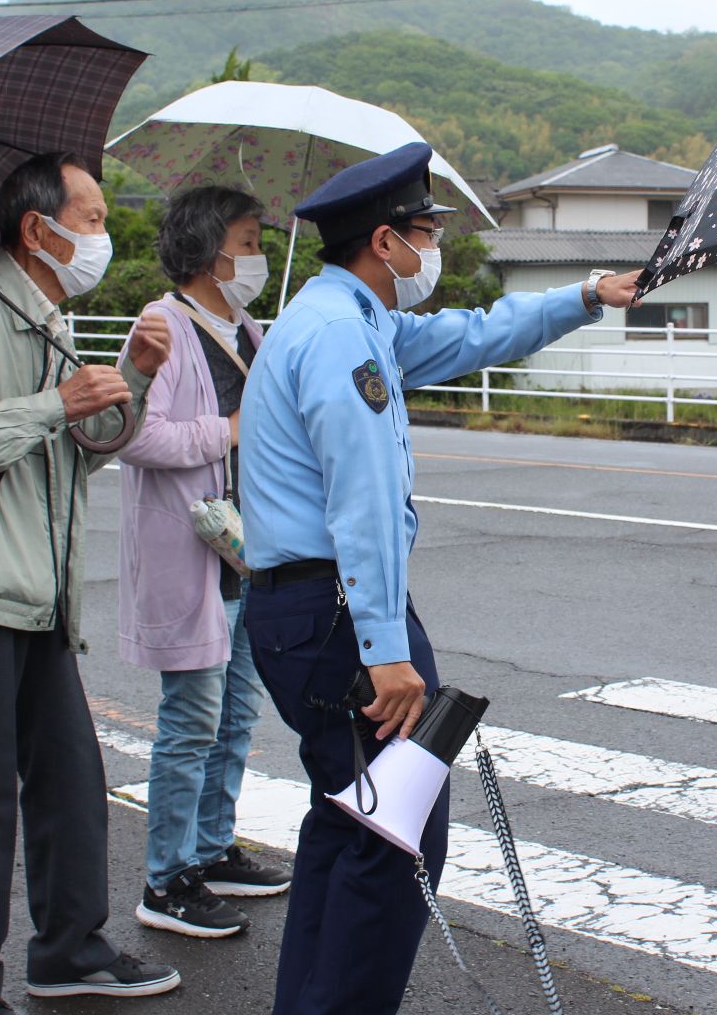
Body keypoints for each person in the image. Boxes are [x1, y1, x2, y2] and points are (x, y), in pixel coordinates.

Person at [239, 142, 641, 1013]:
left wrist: (581, 296)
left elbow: (466, 333)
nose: (436, 250)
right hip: (341, 617)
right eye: (427, 231)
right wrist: (387, 650)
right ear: (386, 242)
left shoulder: (344, 316)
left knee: (345, 821)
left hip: (301, 611)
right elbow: (366, 503)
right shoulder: (345, 333)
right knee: (398, 839)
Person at [0, 152, 179, 1015]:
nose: (101, 234)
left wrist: (135, 375)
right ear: (36, 230)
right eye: (89, 218)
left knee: (70, 779)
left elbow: (66, 463)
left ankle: (67, 949)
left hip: (34, 592)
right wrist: (57, 404)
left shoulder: (46, 319)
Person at [117, 185, 291, 940]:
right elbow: (134, 436)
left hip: (247, 553)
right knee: (190, 720)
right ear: (208, 247)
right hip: (194, 553)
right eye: (249, 241)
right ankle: (167, 879)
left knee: (236, 714)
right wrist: (227, 428)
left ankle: (214, 848)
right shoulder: (160, 324)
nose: (257, 256)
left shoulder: (252, 329)